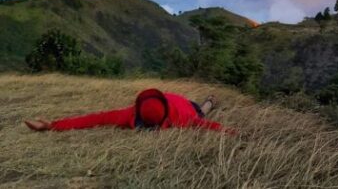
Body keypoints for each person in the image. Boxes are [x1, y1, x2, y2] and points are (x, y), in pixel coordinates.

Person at [24, 88, 235, 134]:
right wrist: (52, 125)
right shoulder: (133, 113)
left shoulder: (183, 118)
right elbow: (95, 119)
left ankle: (210, 100)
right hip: (170, 99)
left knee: (203, 110)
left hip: (187, 105)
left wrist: (234, 133)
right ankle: (209, 100)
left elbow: (208, 124)